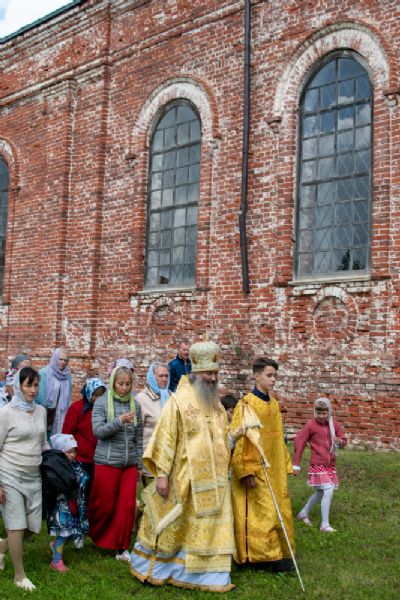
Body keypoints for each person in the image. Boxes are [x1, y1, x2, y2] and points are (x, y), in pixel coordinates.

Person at [131, 341, 235, 593]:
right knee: (176, 526)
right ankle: (167, 568)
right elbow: (166, 439)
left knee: (208, 528)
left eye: (216, 373)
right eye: (209, 373)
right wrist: (162, 475)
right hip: (184, 477)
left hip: (215, 480)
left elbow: (222, 438)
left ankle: (211, 576)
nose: (213, 378)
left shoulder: (216, 405)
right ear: (196, 373)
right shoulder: (178, 402)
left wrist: (239, 432)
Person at [230, 357, 295, 572]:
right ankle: (264, 557)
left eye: (275, 375)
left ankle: (279, 552)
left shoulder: (274, 404)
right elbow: (241, 439)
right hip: (256, 467)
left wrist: (285, 464)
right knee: (264, 512)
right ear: (256, 376)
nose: (273, 379)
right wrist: (246, 470)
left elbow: (278, 437)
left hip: (275, 467)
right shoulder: (246, 404)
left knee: (279, 508)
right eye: (269, 375)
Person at [0, 367, 48, 591]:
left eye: (36, 385)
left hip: (33, 475)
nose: (33, 390)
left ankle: (2, 547)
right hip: (9, 473)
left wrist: (57, 461)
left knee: (33, 526)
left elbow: (43, 443)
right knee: (16, 524)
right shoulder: (6, 413)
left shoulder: (41, 411)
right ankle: (19, 576)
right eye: (28, 385)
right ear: (18, 386)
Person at [89, 366, 143, 561]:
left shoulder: (136, 405)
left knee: (126, 507)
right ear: (113, 383)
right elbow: (98, 431)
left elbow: (138, 438)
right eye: (120, 384)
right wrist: (119, 421)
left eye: (128, 384)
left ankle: (121, 547)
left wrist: (139, 464)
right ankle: (95, 532)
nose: (124, 388)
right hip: (107, 462)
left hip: (129, 464)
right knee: (105, 506)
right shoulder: (102, 403)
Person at [293, 397, 347, 533]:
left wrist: (340, 442)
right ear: (314, 411)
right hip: (318, 464)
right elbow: (299, 442)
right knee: (328, 490)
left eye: (324, 413)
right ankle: (324, 525)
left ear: (329, 411)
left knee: (320, 492)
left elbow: (343, 441)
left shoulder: (334, 425)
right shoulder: (311, 425)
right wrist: (296, 463)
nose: (321, 416)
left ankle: (303, 514)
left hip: (330, 464)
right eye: (318, 413)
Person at [46, 434, 89, 572]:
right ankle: (56, 561)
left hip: (75, 505)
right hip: (61, 508)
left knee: (73, 532)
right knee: (64, 533)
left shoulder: (76, 465)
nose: (72, 455)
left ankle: (55, 546)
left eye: (74, 451)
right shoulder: (55, 468)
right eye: (68, 452)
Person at [62, 377, 106, 495]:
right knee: (80, 494)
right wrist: (70, 455)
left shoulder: (105, 410)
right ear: (89, 393)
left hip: (99, 460)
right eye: (95, 395)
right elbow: (66, 434)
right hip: (79, 460)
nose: (98, 399)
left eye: (101, 396)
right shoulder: (76, 409)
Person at [135, 362, 170, 484]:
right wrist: (138, 463)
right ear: (152, 377)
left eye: (166, 376)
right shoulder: (141, 399)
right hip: (150, 460)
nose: (164, 379)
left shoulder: (172, 397)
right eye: (161, 376)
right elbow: (136, 432)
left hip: (170, 459)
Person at [36, 347, 72, 435]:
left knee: (56, 435)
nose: (63, 362)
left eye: (65, 360)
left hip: (60, 411)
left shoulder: (67, 376)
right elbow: (39, 395)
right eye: (60, 359)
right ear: (55, 358)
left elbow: (68, 396)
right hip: (45, 410)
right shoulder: (44, 373)